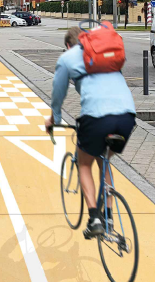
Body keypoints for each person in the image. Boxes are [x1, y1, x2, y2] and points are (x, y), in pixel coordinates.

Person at [45, 26, 136, 239]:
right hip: (126, 116)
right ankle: (109, 216)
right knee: (103, 159)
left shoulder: (67, 57)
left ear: (68, 45)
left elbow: (58, 94)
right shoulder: (104, 53)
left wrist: (54, 120)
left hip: (96, 117)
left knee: (85, 163)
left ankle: (94, 218)